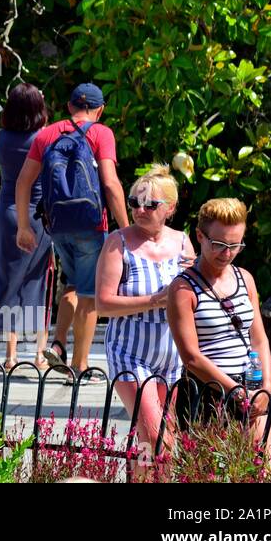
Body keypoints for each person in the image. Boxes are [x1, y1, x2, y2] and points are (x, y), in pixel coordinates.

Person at [16, 83, 129, 381]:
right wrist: (127, 229)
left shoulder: (46, 134)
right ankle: (79, 367)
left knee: (72, 287)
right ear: (100, 109)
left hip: (58, 225)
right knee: (90, 296)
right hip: (91, 224)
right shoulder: (101, 133)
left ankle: (58, 342)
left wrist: (25, 227)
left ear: (69, 107)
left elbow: (23, 182)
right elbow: (110, 184)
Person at [96, 165, 192, 473]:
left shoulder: (182, 243)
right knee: (155, 435)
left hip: (171, 353)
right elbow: (103, 304)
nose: (139, 210)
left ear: (170, 208)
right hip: (130, 351)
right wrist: (157, 299)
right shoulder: (118, 242)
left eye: (150, 205)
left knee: (160, 437)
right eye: (134, 202)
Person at [166, 198, 271, 445]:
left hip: (251, 386)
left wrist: (267, 386)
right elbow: (191, 357)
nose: (227, 253)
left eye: (235, 245)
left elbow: (258, 338)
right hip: (208, 391)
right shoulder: (183, 288)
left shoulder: (244, 278)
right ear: (200, 237)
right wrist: (234, 391)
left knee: (262, 468)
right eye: (219, 244)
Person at [0, 84, 52, 371]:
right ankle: (39, 354)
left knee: (9, 279)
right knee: (38, 279)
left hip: (8, 212)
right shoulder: (44, 138)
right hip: (37, 214)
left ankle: (10, 356)